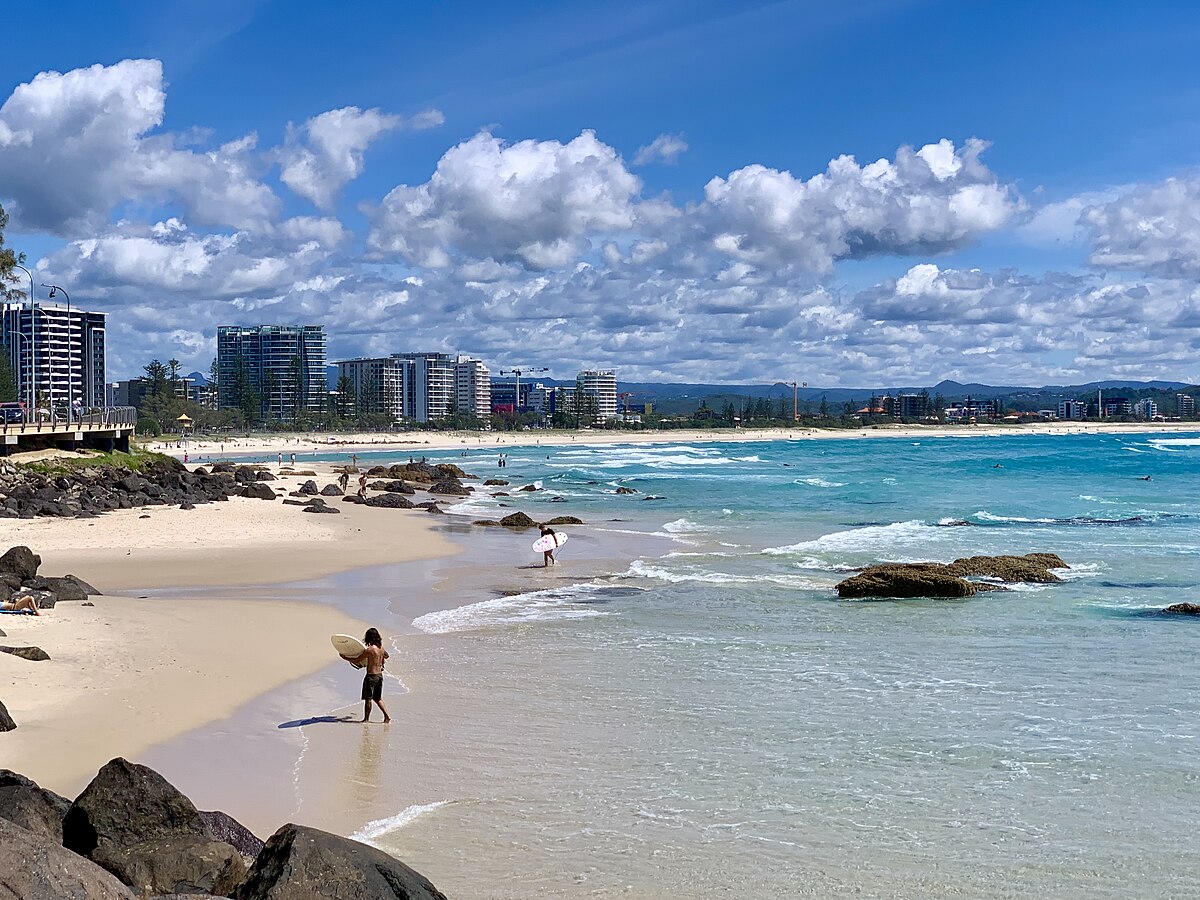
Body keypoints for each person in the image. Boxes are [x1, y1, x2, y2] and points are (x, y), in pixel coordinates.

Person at [349, 628, 391, 723]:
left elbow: (357, 660)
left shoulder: (370, 650)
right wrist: (381, 660)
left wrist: (345, 657)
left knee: (368, 699)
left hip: (371, 677)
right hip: (379, 676)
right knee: (378, 698)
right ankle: (387, 716)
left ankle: (366, 719)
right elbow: (387, 655)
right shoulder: (381, 648)